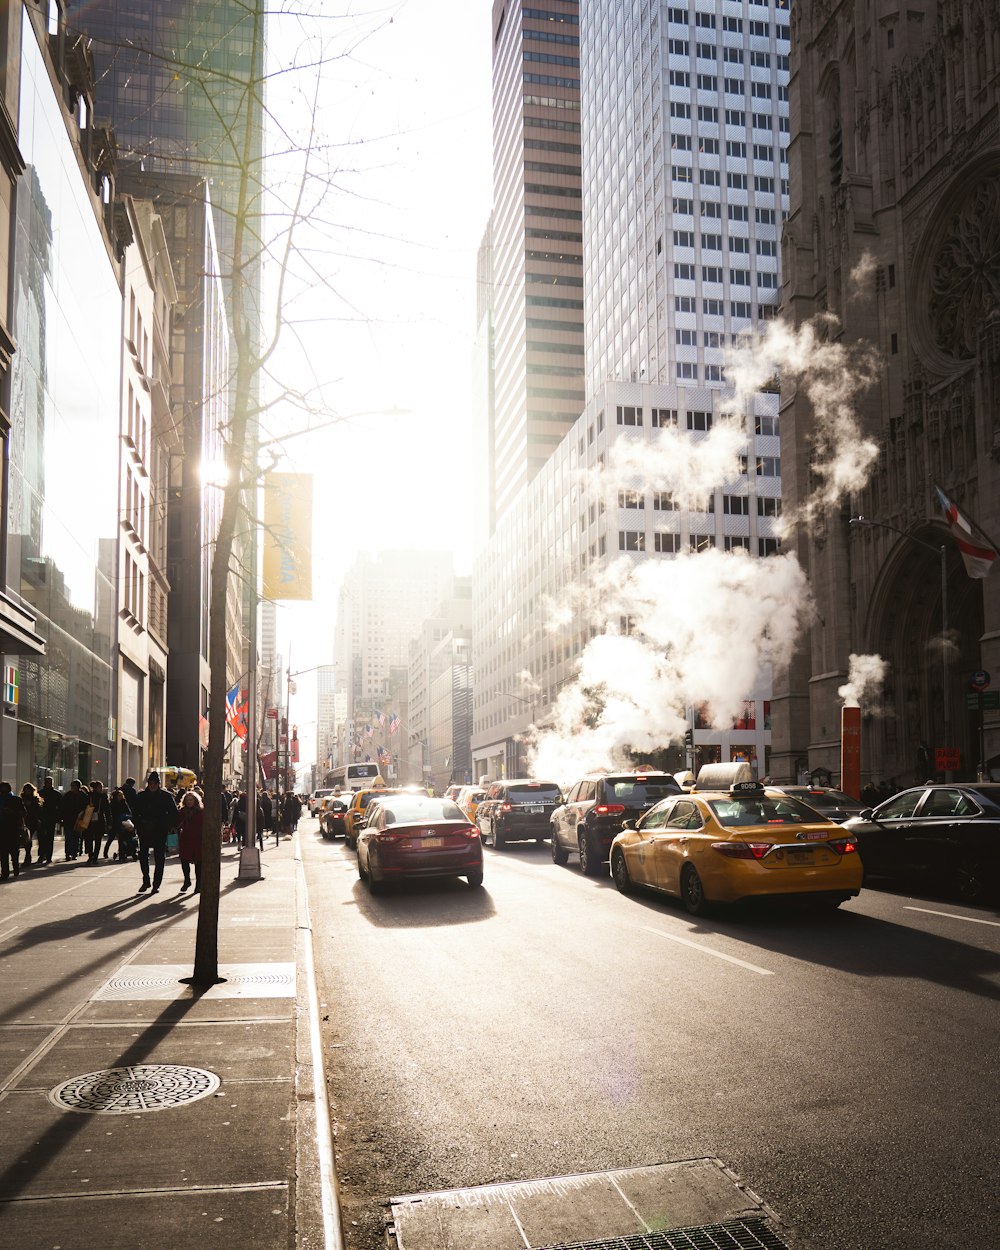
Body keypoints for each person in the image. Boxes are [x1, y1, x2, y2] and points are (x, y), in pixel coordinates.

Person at [130, 770, 178, 894]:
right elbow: (134, 812)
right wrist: (138, 823)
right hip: (144, 829)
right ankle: (146, 880)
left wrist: (169, 825)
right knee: (143, 856)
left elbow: (174, 813)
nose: (152, 785)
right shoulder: (141, 796)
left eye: (155, 783)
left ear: (158, 784)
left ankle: (156, 884)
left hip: (160, 830)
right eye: (151, 783)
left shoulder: (166, 796)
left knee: (159, 858)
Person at [177, 789, 204, 892]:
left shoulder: (201, 812)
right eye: (187, 800)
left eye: (191, 800)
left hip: (198, 839)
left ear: (195, 800)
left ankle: (198, 884)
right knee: (184, 860)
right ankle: (187, 880)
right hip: (186, 839)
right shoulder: (182, 811)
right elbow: (177, 823)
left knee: (199, 863)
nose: (189, 802)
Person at [0, 782, 26, 881]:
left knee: (14, 850)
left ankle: (15, 867)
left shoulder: (16, 799)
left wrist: (12, 812)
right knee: (3, 852)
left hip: (12, 828)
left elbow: (23, 812)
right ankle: (5, 872)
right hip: (2, 828)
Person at [60, 780, 89, 860]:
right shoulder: (67, 796)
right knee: (69, 837)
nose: (72, 788)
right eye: (72, 786)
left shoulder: (83, 796)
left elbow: (86, 807)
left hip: (79, 820)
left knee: (77, 837)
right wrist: (61, 818)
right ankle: (68, 853)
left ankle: (75, 852)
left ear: (78, 787)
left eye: (74, 786)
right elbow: (63, 808)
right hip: (68, 819)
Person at [84, 780, 112, 864]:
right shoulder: (89, 796)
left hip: (96, 820)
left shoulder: (102, 797)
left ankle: (94, 856)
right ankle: (92, 855)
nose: (101, 789)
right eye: (100, 787)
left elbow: (107, 811)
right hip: (92, 819)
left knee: (96, 839)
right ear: (95, 788)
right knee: (91, 839)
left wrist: (109, 822)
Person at [37, 777, 60, 865]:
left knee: (49, 838)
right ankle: (42, 854)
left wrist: (58, 818)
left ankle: (48, 856)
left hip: (51, 818)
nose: (48, 784)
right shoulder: (40, 793)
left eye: (49, 782)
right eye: (47, 782)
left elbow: (60, 807)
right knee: (42, 838)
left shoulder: (55, 794)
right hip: (42, 818)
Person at [105, 787, 134, 859]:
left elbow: (129, 812)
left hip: (122, 822)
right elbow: (110, 813)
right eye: (119, 795)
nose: (121, 797)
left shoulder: (124, 803)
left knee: (122, 838)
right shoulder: (112, 804)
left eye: (121, 795)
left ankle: (122, 852)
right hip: (114, 823)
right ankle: (105, 852)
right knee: (111, 838)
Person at [20, 783, 42, 868]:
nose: (27, 792)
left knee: (28, 839)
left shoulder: (35, 799)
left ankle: (28, 857)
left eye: (28, 790)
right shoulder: (22, 799)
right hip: (24, 821)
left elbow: (38, 811)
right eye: (25, 790)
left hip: (32, 822)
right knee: (25, 840)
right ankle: (28, 857)